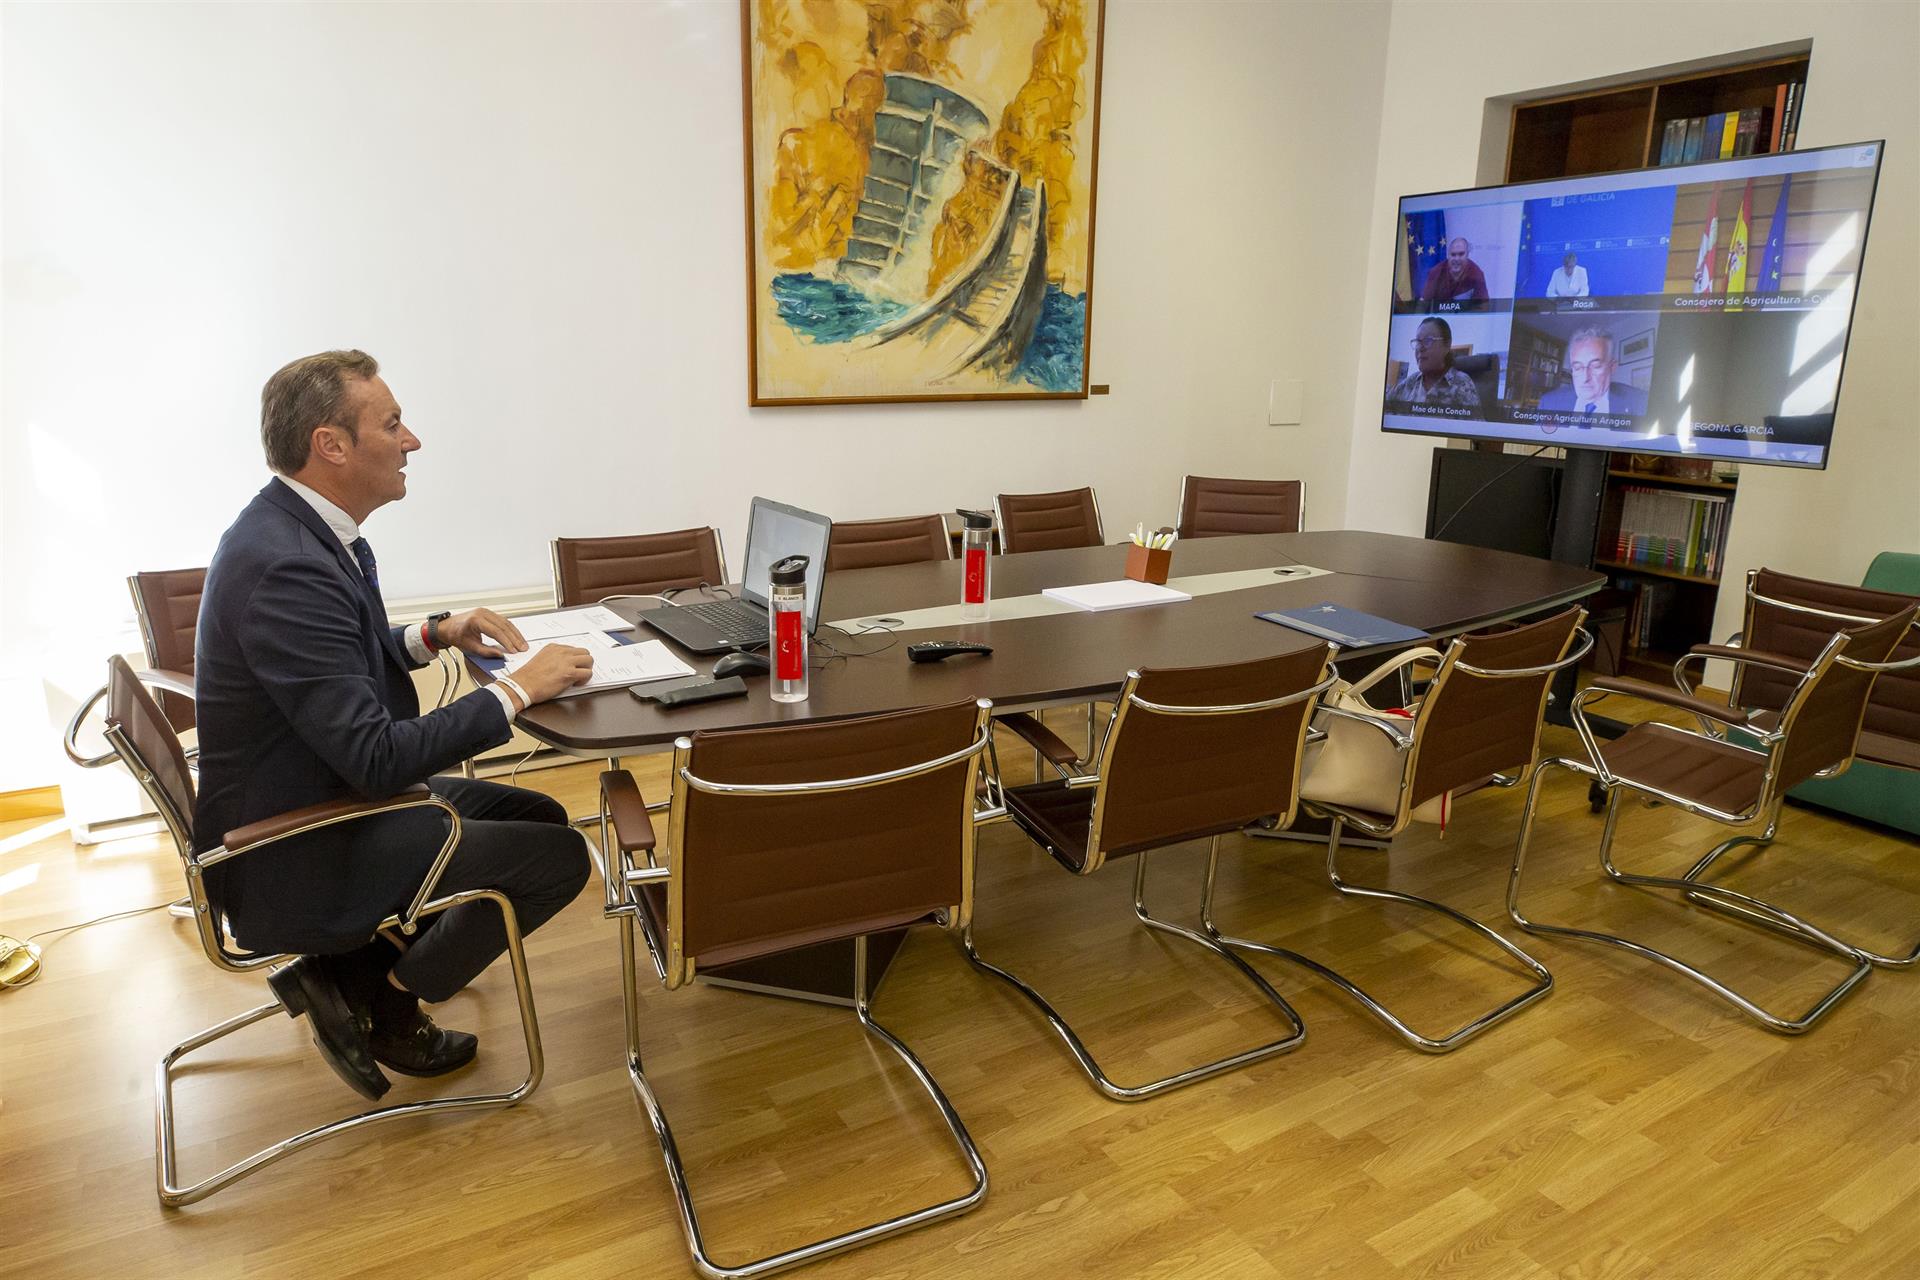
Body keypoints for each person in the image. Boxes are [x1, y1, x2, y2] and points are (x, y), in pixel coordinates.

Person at [194, 350, 596, 1100]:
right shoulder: (288, 565)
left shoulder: (301, 530)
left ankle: (353, 967)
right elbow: (376, 759)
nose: (412, 440)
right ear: (332, 445)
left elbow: (335, 661)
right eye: (393, 423)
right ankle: (381, 999)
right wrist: (514, 693)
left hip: (311, 789)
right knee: (559, 860)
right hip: (295, 842)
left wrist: (435, 634)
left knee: (538, 813)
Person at [1538, 327, 1647, 418]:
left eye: (1595, 366)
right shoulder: (1548, 403)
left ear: (1612, 367)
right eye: (1578, 367)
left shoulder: (1641, 402)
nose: (1585, 378)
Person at [1387, 316, 1482, 410]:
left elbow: (1475, 424)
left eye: (1428, 341)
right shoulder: (1410, 382)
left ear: (1447, 345)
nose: (1420, 348)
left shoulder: (1462, 384)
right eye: (1417, 342)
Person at [1421, 237, 1490, 305]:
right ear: (1448, 255)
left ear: (1467, 254)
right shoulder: (1435, 272)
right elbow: (1424, 304)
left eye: (1461, 254)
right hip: (1440, 315)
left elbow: (1483, 306)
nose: (1457, 259)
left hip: (1466, 315)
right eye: (1453, 255)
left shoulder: (1477, 274)